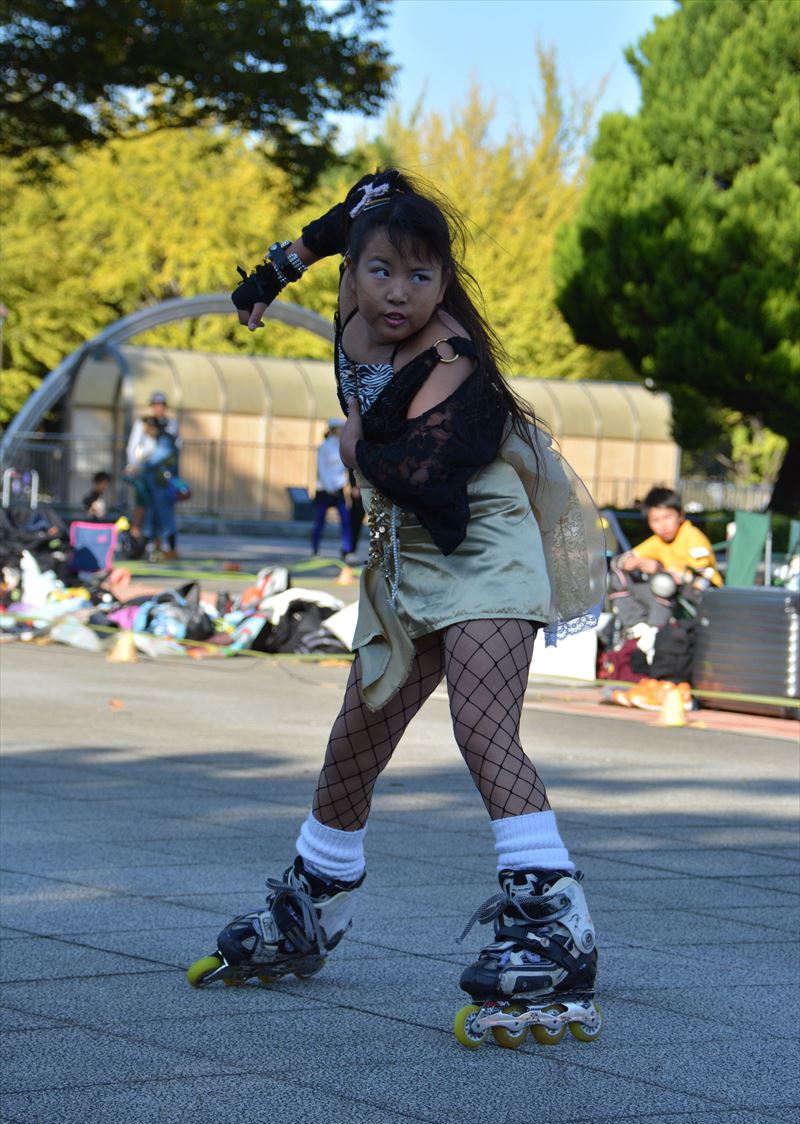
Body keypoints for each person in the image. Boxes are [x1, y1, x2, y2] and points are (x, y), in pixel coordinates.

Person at [189, 170, 606, 1045]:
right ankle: (317, 898)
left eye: (422, 277)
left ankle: (554, 919)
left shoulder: (449, 356)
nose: (398, 293)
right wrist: (275, 272)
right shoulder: (352, 292)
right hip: (407, 550)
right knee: (359, 731)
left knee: (482, 726)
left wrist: (352, 446)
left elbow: (426, 472)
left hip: (484, 542)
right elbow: (351, 210)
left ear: (444, 285)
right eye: (380, 270)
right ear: (354, 270)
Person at [608, 486, 722, 634]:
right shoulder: (657, 541)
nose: (663, 525)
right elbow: (618, 560)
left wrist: (660, 570)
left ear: (680, 515)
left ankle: (655, 633)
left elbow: (703, 581)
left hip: (706, 596)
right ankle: (637, 630)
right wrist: (626, 563)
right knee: (618, 577)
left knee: (663, 582)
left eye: (667, 517)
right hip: (671, 595)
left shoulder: (693, 537)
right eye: (655, 520)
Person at [125, 391, 181, 548]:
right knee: (144, 508)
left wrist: (141, 465)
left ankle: (162, 544)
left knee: (162, 510)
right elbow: (134, 447)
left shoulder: (166, 436)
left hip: (161, 479)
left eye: (161, 405)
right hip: (147, 476)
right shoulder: (147, 428)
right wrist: (133, 465)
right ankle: (143, 543)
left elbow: (162, 456)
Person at [310, 419, 354, 559]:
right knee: (320, 521)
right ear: (334, 430)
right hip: (325, 490)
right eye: (340, 428)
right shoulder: (324, 447)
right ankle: (315, 550)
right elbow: (322, 469)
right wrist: (330, 487)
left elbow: (344, 466)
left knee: (346, 520)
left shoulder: (341, 446)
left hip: (338, 489)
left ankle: (347, 550)